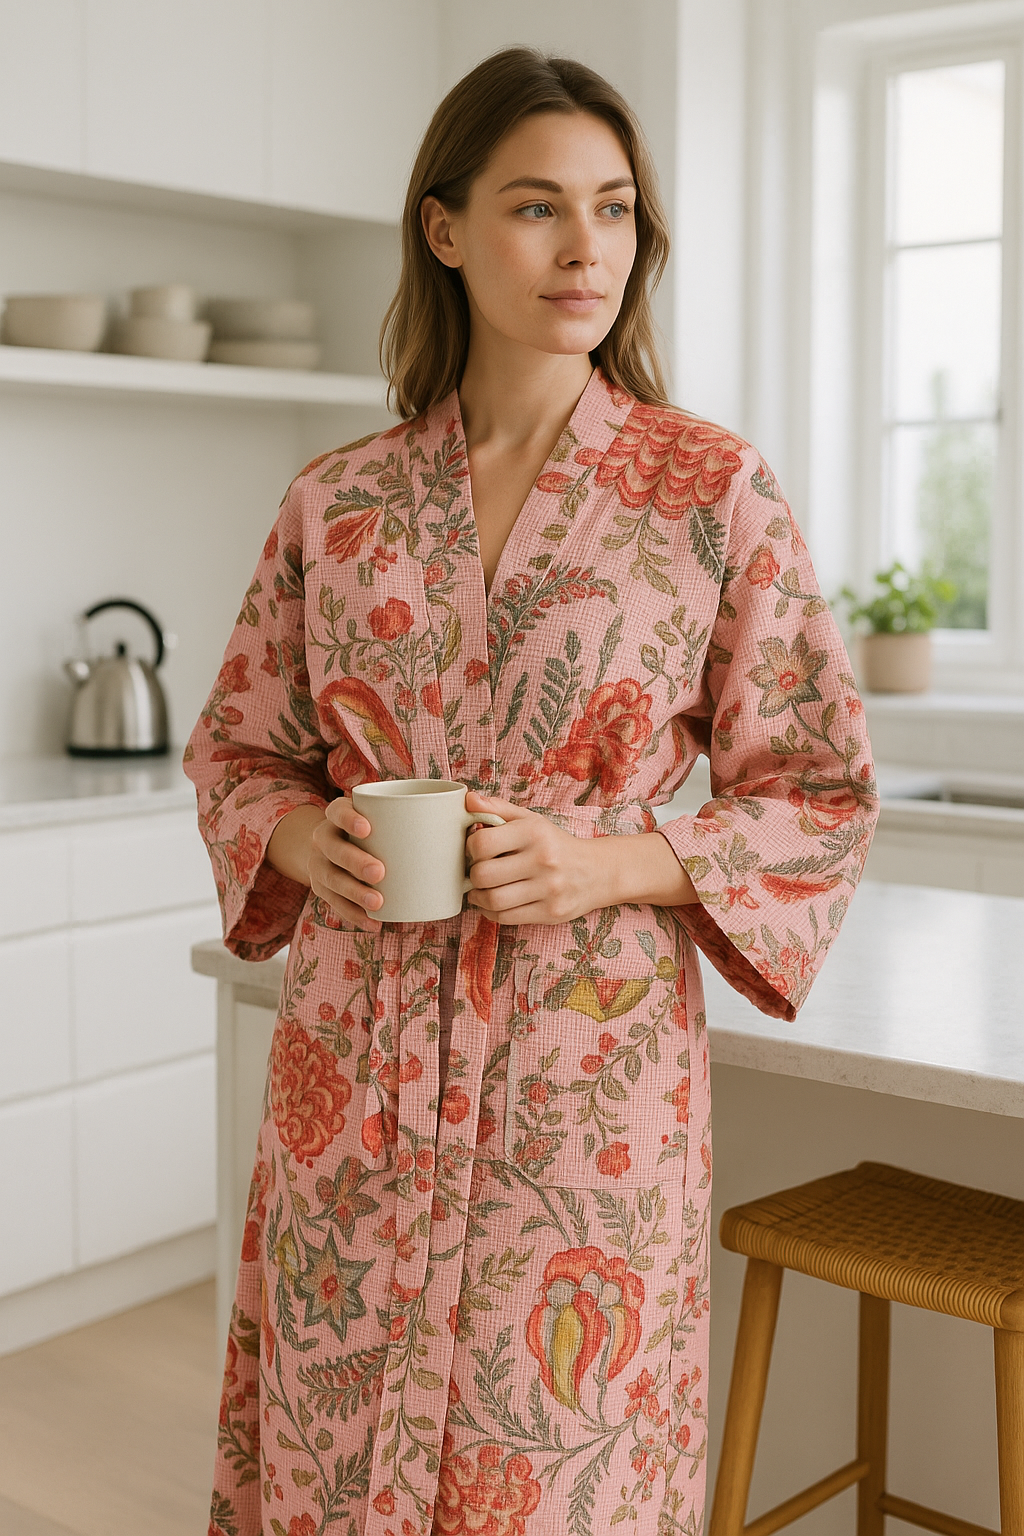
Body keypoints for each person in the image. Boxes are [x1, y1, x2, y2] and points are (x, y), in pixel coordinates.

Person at [188, 47, 878, 1536]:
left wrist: (606, 865)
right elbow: (244, 747)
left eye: (616, 211)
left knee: (550, 1464)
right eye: (537, 208)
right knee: (336, 1418)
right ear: (443, 230)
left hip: (585, 1084)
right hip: (353, 1067)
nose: (587, 251)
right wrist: (307, 834)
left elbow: (817, 787)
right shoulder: (340, 499)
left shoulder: (712, 492)